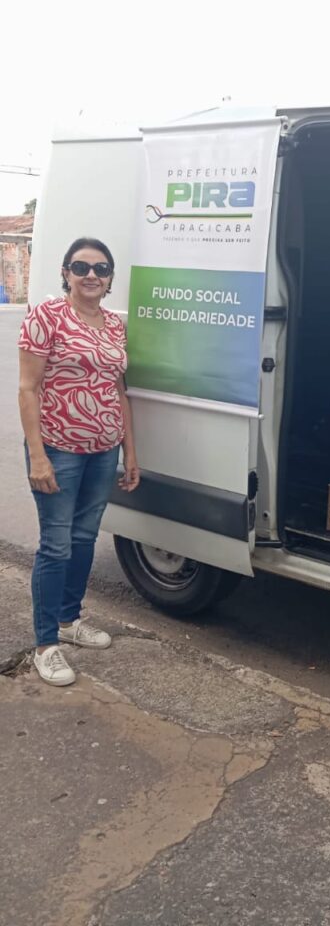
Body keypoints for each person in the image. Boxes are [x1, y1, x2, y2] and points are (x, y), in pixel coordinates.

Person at [18, 237, 140, 687]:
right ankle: (45, 644)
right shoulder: (46, 316)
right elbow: (27, 389)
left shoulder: (114, 326)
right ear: (66, 272)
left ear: (110, 279)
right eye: (81, 266)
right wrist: (37, 455)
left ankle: (70, 620)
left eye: (101, 268)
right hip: (58, 448)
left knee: (85, 537)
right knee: (56, 545)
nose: (92, 275)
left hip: (103, 449)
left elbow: (118, 392)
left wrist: (130, 451)